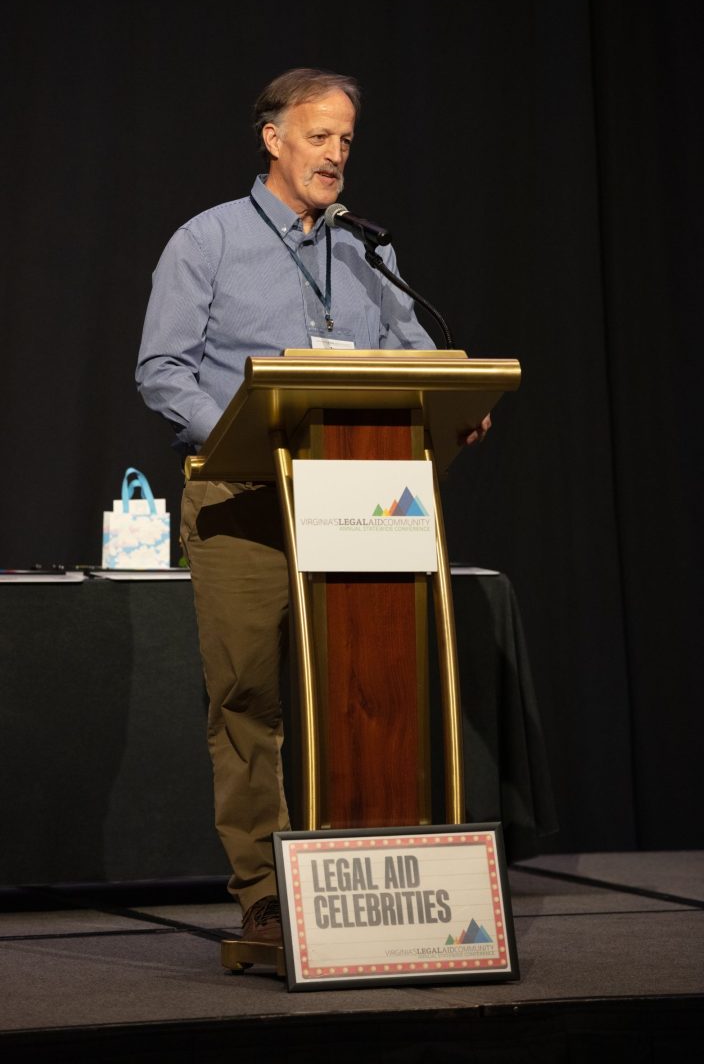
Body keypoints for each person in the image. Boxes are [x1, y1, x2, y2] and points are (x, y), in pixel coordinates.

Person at [136, 67, 489, 950]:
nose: (336, 154)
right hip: (241, 496)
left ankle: (365, 865)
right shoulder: (206, 241)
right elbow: (162, 370)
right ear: (273, 138)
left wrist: (455, 397)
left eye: (345, 141)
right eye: (320, 136)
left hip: (358, 495)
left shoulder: (367, 252)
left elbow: (417, 357)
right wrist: (237, 432)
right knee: (249, 695)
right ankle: (262, 893)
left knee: (373, 682)